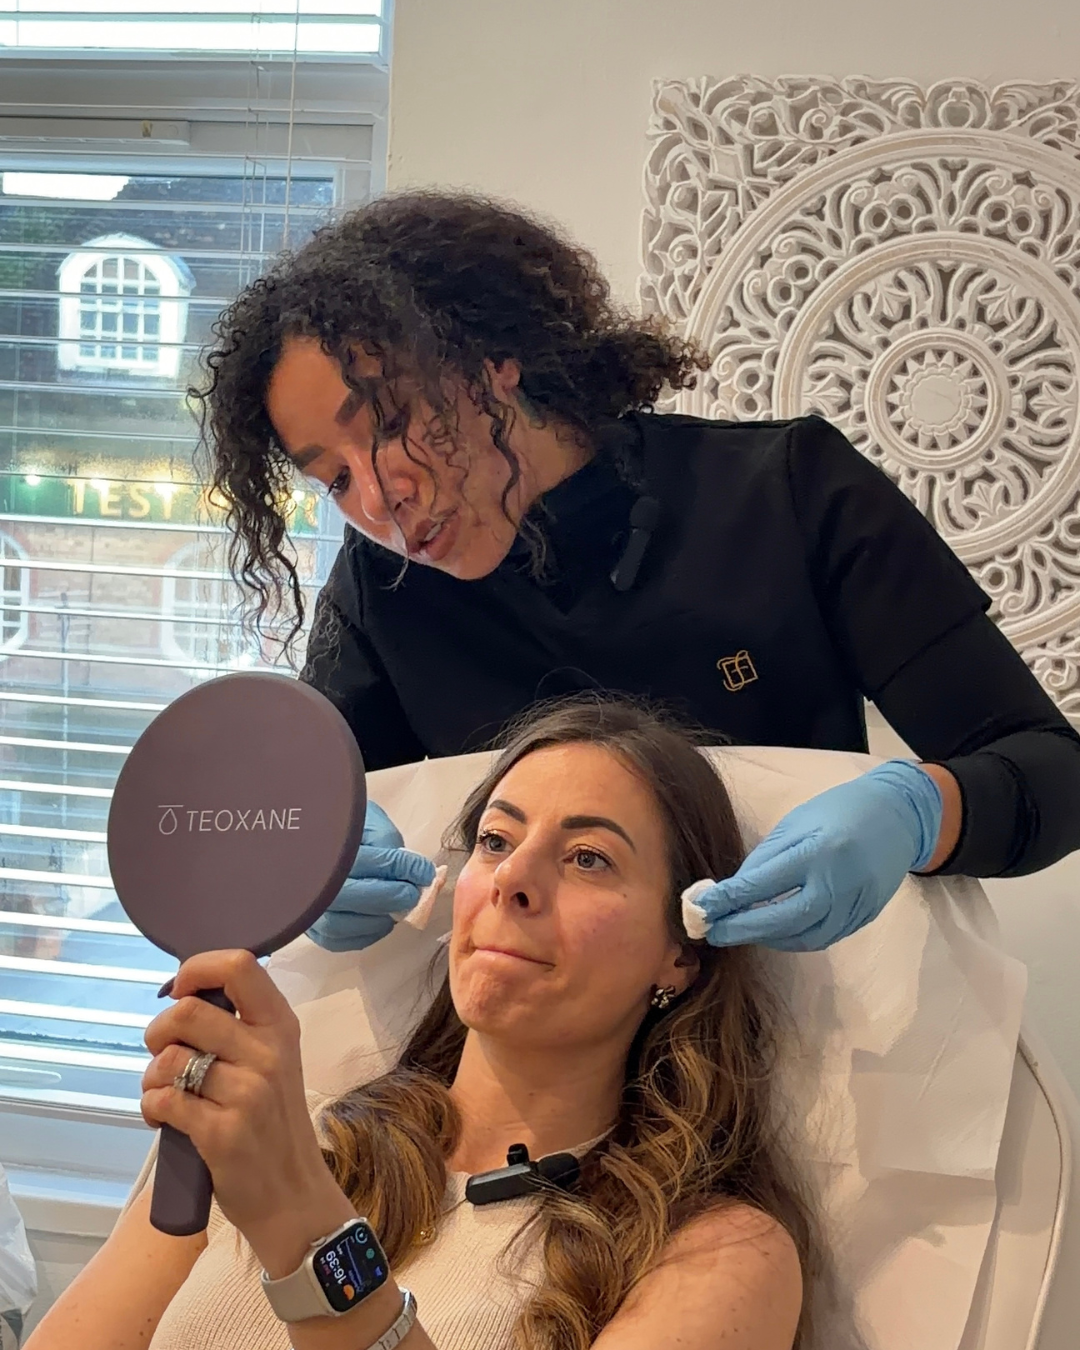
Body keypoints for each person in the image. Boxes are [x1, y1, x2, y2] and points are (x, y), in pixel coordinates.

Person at [195, 190, 1080, 955]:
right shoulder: (381, 592)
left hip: (803, 1024)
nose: (381, 497)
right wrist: (309, 863)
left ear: (489, 361)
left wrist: (921, 809)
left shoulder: (789, 492)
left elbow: (1050, 769)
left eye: (390, 420)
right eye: (334, 477)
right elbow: (310, 811)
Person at [25, 698, 817, 1350]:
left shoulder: (719, 1254)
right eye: (495, 840)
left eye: (588, 859)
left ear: (680, 954)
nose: (511, 879)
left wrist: (302, 1224)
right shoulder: (287, 1142)